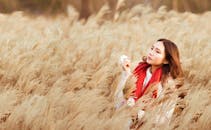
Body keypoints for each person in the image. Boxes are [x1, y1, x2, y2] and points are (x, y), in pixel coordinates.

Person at [114, 38, 184, 121]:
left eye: (157, 51)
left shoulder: (168, 84)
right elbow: (118, 102)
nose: (151, 53)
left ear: (166, 60)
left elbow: (163, 119)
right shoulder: (140, 70)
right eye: (152, 48)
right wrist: (126, 73)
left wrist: (137, 112)